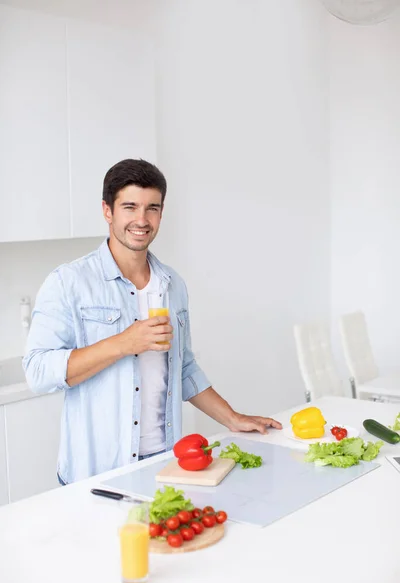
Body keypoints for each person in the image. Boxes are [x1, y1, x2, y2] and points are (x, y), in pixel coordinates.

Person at [23, 159, 282, 484]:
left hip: (164, 464)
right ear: (108, 210)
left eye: (152, 208)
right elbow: (37, 372)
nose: (142, 220)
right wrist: (123, 343)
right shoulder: (69, 282)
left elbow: (184, 367)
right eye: (129, 207)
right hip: (96, 473)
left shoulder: (172, 284)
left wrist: (232, 418)